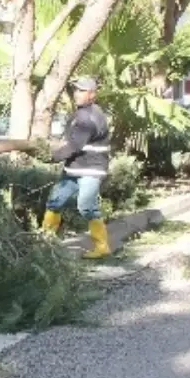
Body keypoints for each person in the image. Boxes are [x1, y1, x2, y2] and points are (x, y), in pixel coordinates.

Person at [42, 77, 112, 259]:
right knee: (55, 201)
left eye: (82, 91)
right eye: (76, 90)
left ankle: (102, 246)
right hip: (74, 168)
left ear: (92, 94)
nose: (77, 94)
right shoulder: (80, 113)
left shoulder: (87, 118)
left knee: (86, 206)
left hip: (91, 169)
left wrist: (51, 157)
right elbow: (69, 141)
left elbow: (74, 146)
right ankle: (46, 241)